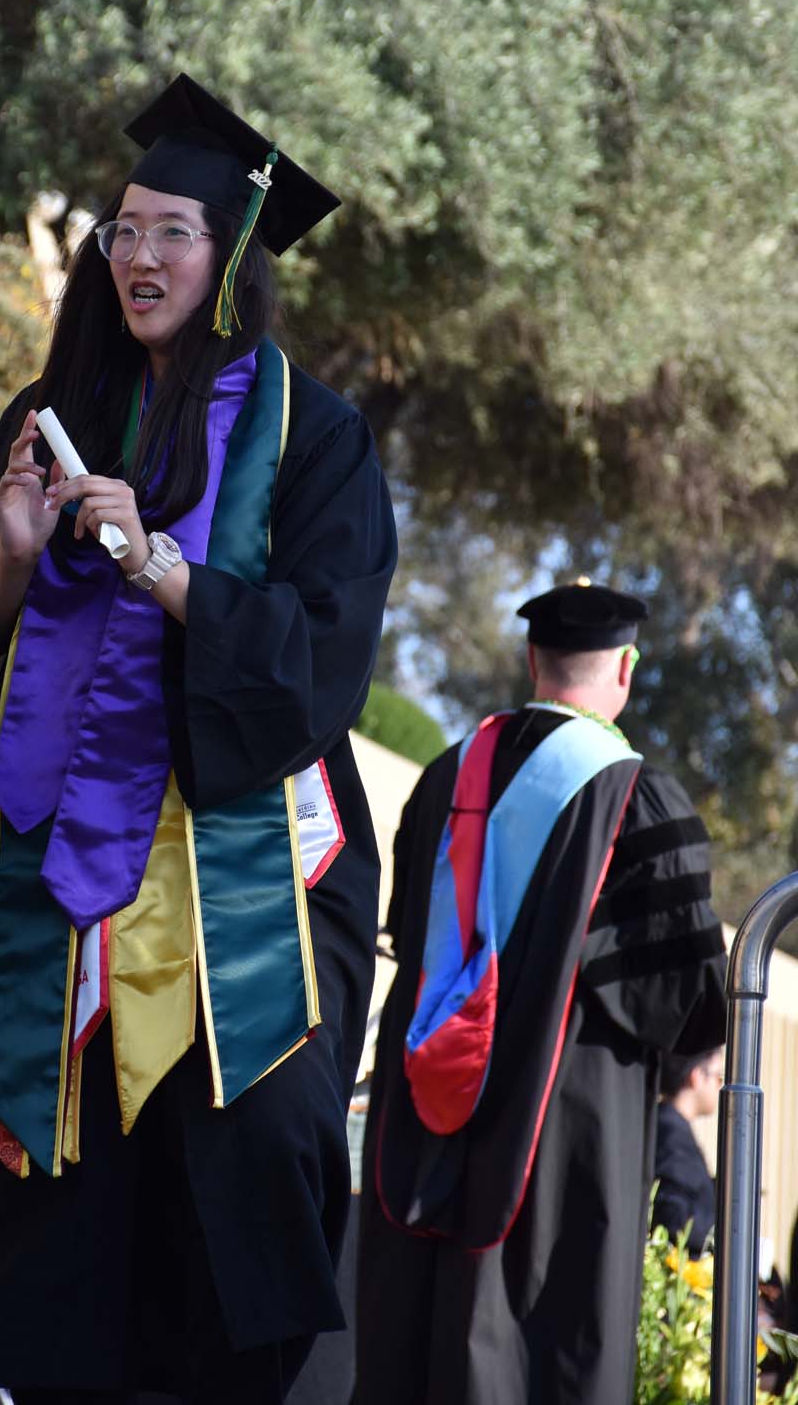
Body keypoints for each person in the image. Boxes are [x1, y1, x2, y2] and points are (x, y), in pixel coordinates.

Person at [0, 74, 398, 1402]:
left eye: (171, 231)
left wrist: (163, 569)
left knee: (232, 1189)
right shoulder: (49, 420)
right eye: (121, 228)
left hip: (246, 876)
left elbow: (320, 658)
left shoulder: (316, 439)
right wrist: (3, 558)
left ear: (229, 261)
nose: (136, 255)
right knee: (43, 1233)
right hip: (55, 882)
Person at [355, 581, 727, 1405]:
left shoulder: (444, 781)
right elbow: (687, 1006)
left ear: (532, 662)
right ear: (625, 669)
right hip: (562, 1156)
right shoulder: (635, 796)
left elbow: (407, 936)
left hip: (421, 1137)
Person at [653, 1048, 722, 1254]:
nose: (720, 1085)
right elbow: (673, 1215)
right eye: (718, 1077)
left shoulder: (669, 1126)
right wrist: (721, 1232)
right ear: (697, 1076)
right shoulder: (672, 1134)